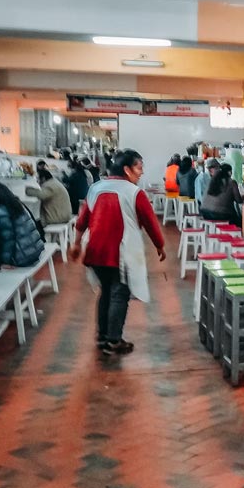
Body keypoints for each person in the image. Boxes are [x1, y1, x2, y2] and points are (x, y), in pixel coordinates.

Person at [70, 149, 165, 355]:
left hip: (95, 252)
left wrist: (77, 244)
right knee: (119, 294)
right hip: (119, 253)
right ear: (127, 169)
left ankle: (102, 337)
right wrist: (160, 245)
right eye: (139, 167)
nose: (141, 172)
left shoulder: (96, 188)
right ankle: (114, 340)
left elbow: (82, 219)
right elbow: (150, 222)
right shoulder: (134, 193)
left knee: (106, 291)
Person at [0, 182, 45, 271]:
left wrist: (6, 262)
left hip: (22, 258)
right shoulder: (16, 204)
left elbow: (7, 240)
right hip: (34, 252)